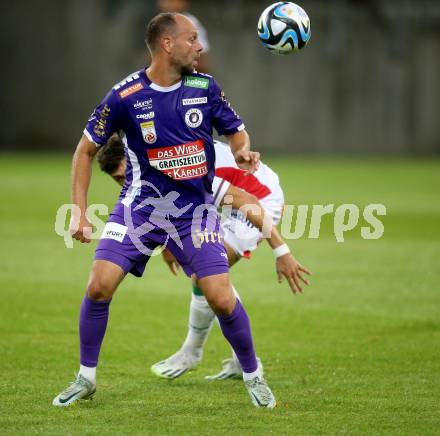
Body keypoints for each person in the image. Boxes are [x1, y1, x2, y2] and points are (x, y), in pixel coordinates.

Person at [52, 12, 302, 409]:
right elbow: (84, 151)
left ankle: (253, 375)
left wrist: (240, 150)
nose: (199, 46)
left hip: (195, 212)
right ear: (168, 44)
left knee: (220, 297)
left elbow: (236, 129)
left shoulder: (205, 88)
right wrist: (79, 212)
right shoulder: (124, 95)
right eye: (191, 39)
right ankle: (85, 378)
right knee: (98, 286)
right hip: (140, 209)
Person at [97, 136, 311, 380]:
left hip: (259, 198)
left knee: (207, 273)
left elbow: (245, 202)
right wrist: (169, 245)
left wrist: (282, 252)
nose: (125, 183)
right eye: (118, 180)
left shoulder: (172, 165)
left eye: (124, 176)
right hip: (224, 200)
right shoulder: (153, 162)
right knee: (206, 275)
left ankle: (199, 352)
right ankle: (211, 355)